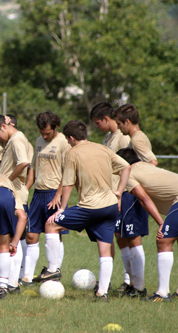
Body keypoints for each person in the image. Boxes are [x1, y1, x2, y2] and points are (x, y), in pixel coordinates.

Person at [34, 120, 131, 302]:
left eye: (68, 140)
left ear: (71, 138)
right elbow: (127, 167)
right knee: (105, 250)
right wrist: (119, 192)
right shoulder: (102, 148)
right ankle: (103, 293)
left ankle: (53, 269)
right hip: (110, 206)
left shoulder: (73, 152)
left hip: (89, 207)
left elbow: (68, 183)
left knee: (51, 225)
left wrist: (61, 209)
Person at [117, 148, 178, 302]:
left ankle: (163, 293)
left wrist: (160, 223)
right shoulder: (146, 166)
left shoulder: (129, 173)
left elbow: (144, 198)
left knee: (163, 240)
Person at [90, 101, 148, 294]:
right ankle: (128, 280)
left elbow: (133, 164)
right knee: (119, 236)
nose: (97, 127)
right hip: (112, 192)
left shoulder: (124, 139)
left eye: (98, 123)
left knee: (129, 236)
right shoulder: (108, 137)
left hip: (126, 193)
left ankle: (133, 282)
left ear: (107, 119)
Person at [22, 111, 70, 286]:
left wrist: (58, 194)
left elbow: (68, 172)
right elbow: (33, 168)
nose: (44, 135)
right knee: (31, 235)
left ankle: (54, 270)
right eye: (42, 132)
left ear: (55, 127)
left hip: (53, 194)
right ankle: (27, 277)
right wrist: (26, 189)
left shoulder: (64, 142)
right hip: (38, 193)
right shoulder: (38, 141)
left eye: (48, 133)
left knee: (55, 233)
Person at [0, 114, 32, 292]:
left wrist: (6, 180)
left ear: (4, 126)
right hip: (11, 192)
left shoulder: (16, 139)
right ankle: (11, 280)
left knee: (12, 237)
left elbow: (23, 163)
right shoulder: (13, 140)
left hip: (14, 192)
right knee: (10, 236)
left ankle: (12, 282)